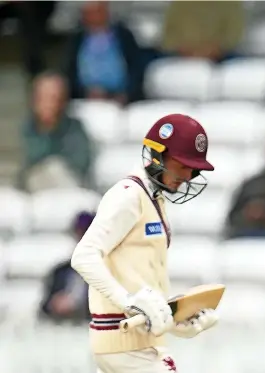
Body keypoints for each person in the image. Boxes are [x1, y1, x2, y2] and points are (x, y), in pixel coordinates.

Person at [71, 114, 219, 372]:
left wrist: (176, 321)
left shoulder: (153, 197)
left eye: (193, 169)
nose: (187, 176)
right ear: (156, 155)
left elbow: (140, 281)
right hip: (125, 345)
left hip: (138, 342)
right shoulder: (128, 196)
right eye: (182, 164)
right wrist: (127, 301)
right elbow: (83, 256)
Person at [39, 211, 95, 323]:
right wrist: (53, 304)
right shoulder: (60, 272)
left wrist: (77, 305)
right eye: (80, 233)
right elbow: (43, 309)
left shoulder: (110, 273)